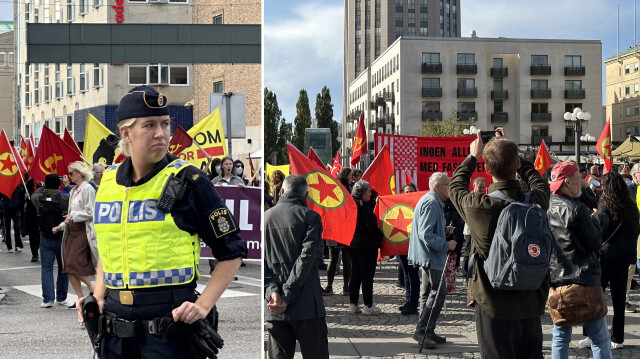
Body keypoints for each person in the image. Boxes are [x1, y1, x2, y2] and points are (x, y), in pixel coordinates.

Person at [75, 85, 246, 358]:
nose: (161, 133)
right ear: (125, 133)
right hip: (115, 329)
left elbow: (232, 250)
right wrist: (97, 295)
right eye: (150, 125)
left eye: (165, 124)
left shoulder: (190, 180)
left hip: (170, 328)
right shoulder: (107, 181)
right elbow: (112, 248)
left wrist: (202, 305)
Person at [448, 129, 550, 358]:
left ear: (486, 169)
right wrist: (517, 158)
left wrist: (473, 155)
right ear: (516, 166)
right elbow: (539, 182)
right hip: (531, 300)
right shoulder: (535, 201)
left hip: (493, 302)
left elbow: (455, 186)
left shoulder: (478, 206)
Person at [546, 161, 612, 358]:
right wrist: (595, 222)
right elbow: (595, 243)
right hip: (585, 281)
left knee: (560, 335)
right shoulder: (578, 209)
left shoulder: (546, 207)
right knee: (599, 337)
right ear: (567, 182)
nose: (581, 182)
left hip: (558, 282)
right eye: (577, 179)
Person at [264, 174, 329, 359]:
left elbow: (262, 265)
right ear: (305, 195)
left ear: (282, 191)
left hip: (274, 306)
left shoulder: (264, 218)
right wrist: (286, 294)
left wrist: (273, 293)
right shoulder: (311, 217)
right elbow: (307, 259)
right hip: (306, 305)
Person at [577, 171, 639, 350]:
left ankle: (590, 334)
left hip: (605, 257)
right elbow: (635, 231)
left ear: (607, 187)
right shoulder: (631, 206)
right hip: (624, 258)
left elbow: (600, 234)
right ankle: (617, 338)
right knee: (619, 300)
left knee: (595, 296)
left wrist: (595, 220)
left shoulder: (605, 205)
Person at [408, 172, 457, 349]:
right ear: (437, 187)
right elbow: (425, 234)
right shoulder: (431, 202)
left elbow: (428, 229)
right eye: (447, 184)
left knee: (428, 292)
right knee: (438, 292)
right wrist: (446, 244)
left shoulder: (432, 200)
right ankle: (422, 330)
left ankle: (427, 330)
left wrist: (443, 229)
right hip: (431, 255)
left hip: (428, 255)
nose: (450, 187)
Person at [52, 161, 98, 309]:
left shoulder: (88, 189)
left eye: (71, 173)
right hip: (71, 231)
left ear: (80, 173)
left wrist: (74, 215)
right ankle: (81, 297)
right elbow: (69, 215)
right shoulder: (73, 191)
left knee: (72, 264)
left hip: (83, 231)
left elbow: (91, 212)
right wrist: (60, 226)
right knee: (68, 267)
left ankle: (93, 291)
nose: (69, 176)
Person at [32, 174, 70, 308]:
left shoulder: (38, 198)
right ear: (58, 184)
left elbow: (34, 194)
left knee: (46, 268)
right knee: (63, 267)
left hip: (44, 235)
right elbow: (76, 196)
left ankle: (48, 299)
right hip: (61, 234)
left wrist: (42, 187)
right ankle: (62, 297)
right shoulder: (64, 198)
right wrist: (66, 185)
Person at [347, 180, 384, 315]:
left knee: (355, 274)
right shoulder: (365, 208)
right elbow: (372, 228)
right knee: (367, 276)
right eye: (368, 191)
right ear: (362, 193)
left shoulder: (350, 205)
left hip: (352, 244)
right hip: (367, 246)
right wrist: (381, 236)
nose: (370, 193)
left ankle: (353, 303)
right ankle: (368, 305)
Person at [398, 182, 420, 315]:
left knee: (413, 274)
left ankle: (413, 303)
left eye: (412, 191)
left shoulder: (418, 206)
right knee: (406, 273)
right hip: (401, 243)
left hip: (414, 245)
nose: (410, 194)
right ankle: (408, 298)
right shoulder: (398, 206)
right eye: (407, 191)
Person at [459, 177, 486, 277]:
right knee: (468, 251)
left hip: (480, 231)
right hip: (469, 231)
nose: (482, 190)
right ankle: (465, 272)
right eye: (480, 187)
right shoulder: (468, 198)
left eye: (483, 187)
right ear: (474, 186)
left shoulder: (485, 198)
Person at [3, 185, 25, 253]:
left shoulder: (18, 187)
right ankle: (9, 246)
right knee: (7, 228)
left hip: (16, 209)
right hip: (6, 209)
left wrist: (25, 196)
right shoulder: (4, 186)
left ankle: (18, 245)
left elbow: (22, 198)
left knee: (17, 227)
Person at [24, 175, 41, 262]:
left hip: (41, 211)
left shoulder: (41, 183)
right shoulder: (26, 184)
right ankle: (34, 253)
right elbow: (20, 199)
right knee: (32, 233)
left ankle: (38, 248)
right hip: (31, 212)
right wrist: (25, 197)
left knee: (39, 233)